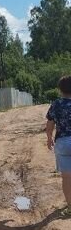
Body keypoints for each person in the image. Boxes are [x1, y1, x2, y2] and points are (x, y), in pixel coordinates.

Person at [46, 75, 71, 218]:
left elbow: (50, 125)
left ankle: (70, 207)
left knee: (67, 177)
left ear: (60, 89)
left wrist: (49, 139)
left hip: (63, 143)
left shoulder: (57, 104)